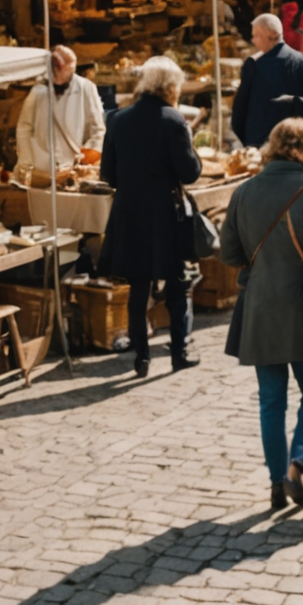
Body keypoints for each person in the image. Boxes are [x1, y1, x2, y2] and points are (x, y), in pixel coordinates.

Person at [217, 117, 303, 512]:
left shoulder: (245, 190)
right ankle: (300, 462)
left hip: (260, 309)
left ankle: (277, 481)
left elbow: (227, 254)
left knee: (271, 401)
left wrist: (257, 269)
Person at [99, 56, 203, 378]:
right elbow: (190, 172)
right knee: (175, 285)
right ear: (170, 87)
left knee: (138, 286)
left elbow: (108, 175)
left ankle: (141, 358)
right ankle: (178, 354)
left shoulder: (118, 118)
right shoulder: (173, 120)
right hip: (164, 211)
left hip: (130, 210)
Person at [231, 13, 303, 151]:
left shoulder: (254, 66)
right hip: (294, 145)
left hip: (260, 145)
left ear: (273, 36)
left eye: (256, 35)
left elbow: (239, 111)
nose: (253, 40)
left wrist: (248, 141)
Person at [16, 46, 106, 174]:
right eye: (54, 67)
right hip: (41, 167)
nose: (57, 71)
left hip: (73, 168)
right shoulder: (38, 90)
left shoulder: (86, 88)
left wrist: (85, 156)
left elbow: (99, 131)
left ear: (71, 68)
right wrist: (26, 162)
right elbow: (24, 127)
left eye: (60, 67)